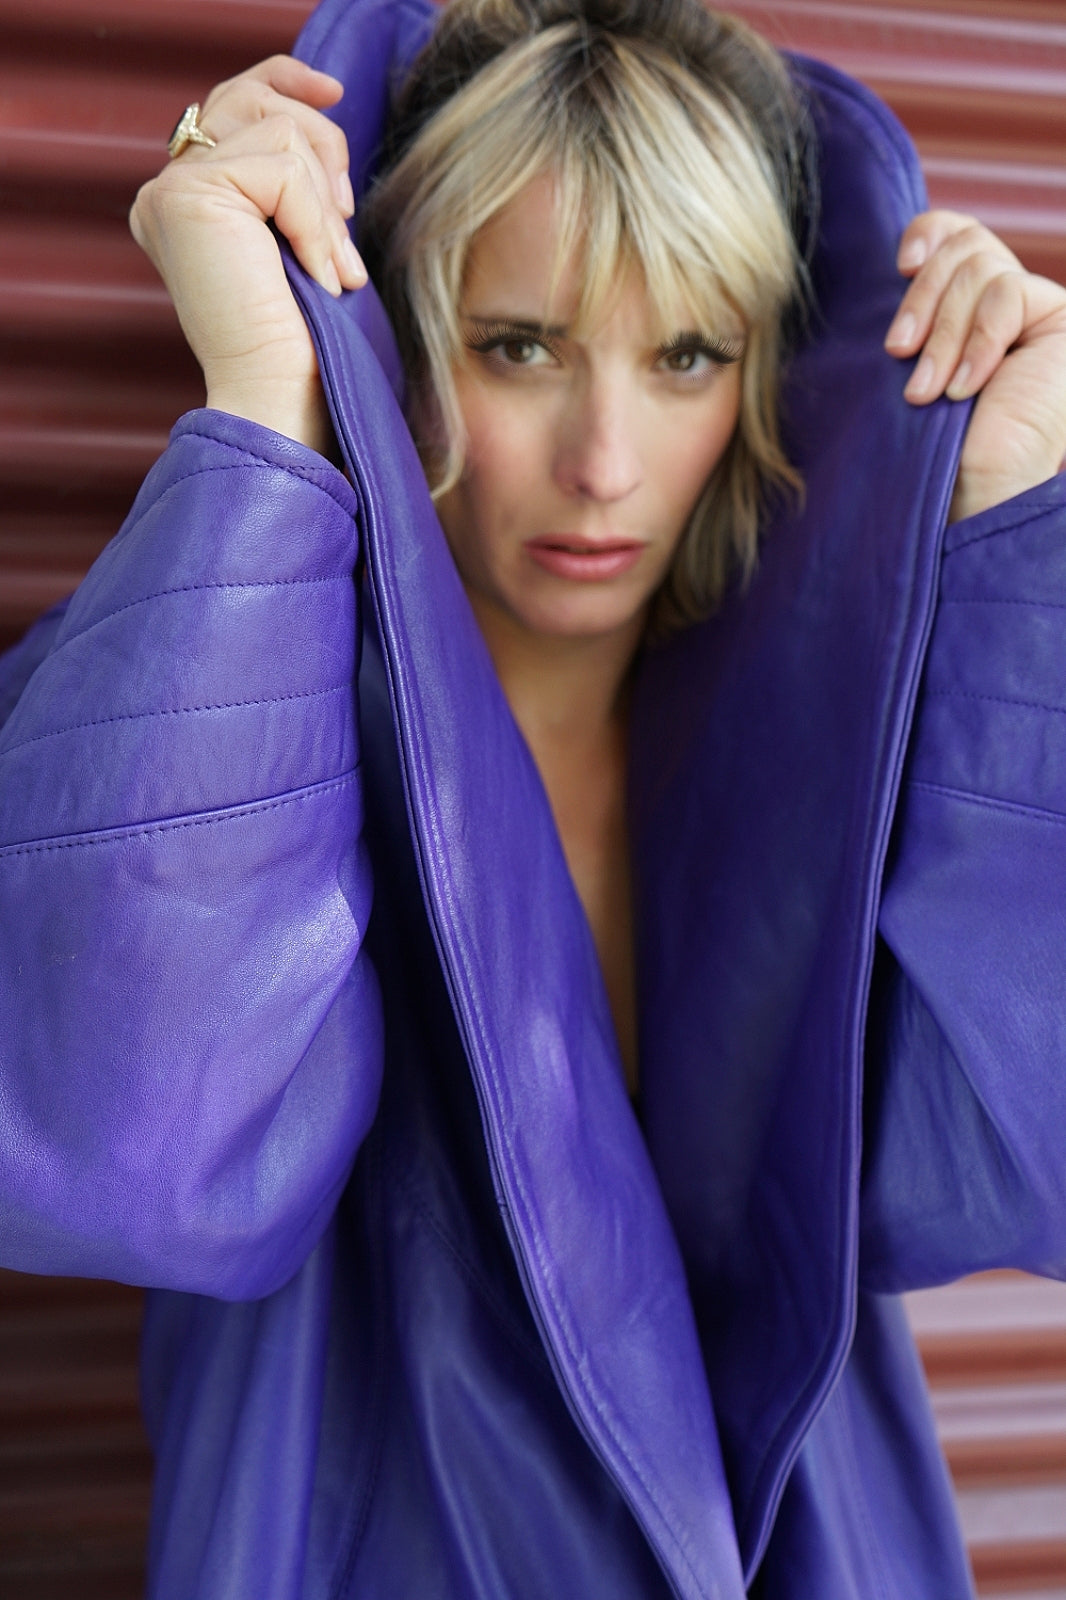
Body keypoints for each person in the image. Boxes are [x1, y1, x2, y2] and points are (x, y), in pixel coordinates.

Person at [1, 0, 1065, 1594]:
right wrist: (268, 387)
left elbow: (1036, 1161)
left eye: (686, 355)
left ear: (767, 379)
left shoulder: (863, 747)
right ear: (398, 335)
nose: (603, 464)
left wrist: (1011, 518)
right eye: (517, 345)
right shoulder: (198, 708)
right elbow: (119, 1156)